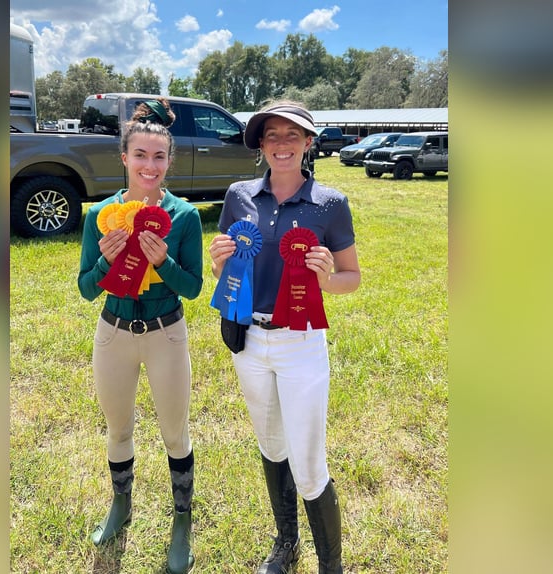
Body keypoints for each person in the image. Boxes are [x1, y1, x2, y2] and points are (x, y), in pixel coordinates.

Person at [208, 100, 361, 574]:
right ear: (260, 144)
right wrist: (217, 259)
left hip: (301, 344)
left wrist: (324, 278)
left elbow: (351, 276)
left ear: (309, 143)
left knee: (309, 461)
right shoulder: (238, 195)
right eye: (271, 135)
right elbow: (227, 267)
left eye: (292, 135)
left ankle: (330, 566)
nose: (281, 144)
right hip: (249, 341)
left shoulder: (330, 203)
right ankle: (286, 542)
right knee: (272, 444)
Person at [78, 97, 203, 574]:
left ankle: (181, 521)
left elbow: (191, 288)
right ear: (124, 158)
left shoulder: (185, 218)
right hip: (113, 333)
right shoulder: (99, 217)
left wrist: (162, 261)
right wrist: (108, 261)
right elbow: (87, 289)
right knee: (119, 429)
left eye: (159, 156)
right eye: (140, 155)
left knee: (175, 431)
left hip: (165, 334)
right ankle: (121, 506)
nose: (149, 166)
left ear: (169, 161)